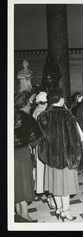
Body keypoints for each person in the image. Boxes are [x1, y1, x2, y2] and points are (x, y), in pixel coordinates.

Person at [37, 87, 83, 222]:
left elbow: (41, 140)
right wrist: (78, 158)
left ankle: (58, 209)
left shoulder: (43, 116)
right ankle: (66, 211)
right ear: (59, 99)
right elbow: (75, 140)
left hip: (51, 158)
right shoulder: (68, 115)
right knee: (65, 187)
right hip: (65, 159)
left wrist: (45, 155)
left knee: (55, 186)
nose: (64, 99)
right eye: (63, 97)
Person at [14, 92, 42, 222]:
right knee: (24, 182)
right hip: (22, 154)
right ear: (24, 105)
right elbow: (35, 140)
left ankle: (18, 213)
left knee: (15, 183)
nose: (31, 106)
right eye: (29, 104)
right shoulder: (27, 119)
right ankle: (25, 215)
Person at [31, 91, 57, 209]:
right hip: (44, 144)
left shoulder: (36, 110)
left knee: (40, 169)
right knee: (46, 169)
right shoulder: (42, 112)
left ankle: (41, 191)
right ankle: (50, 195)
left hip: (39, 144)